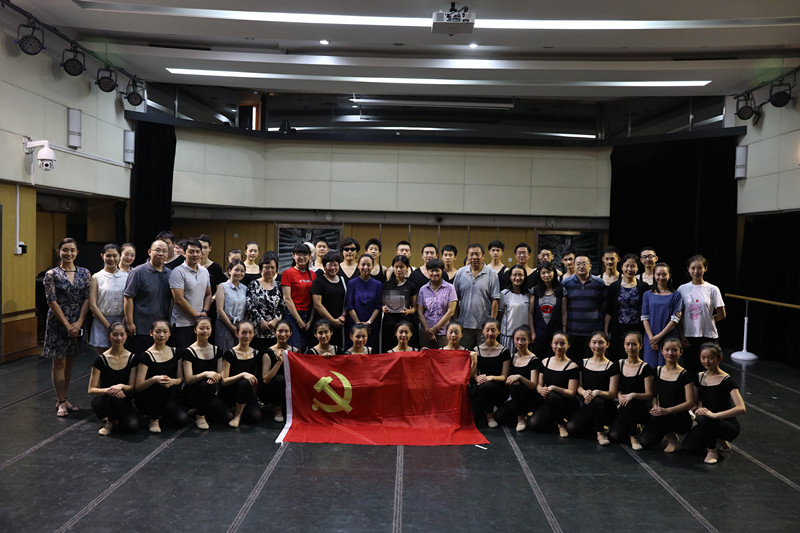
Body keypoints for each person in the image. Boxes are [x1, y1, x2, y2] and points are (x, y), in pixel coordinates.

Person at [43, 237, 91, 417]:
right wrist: (66, 324)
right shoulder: (51, 274)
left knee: (70, 361)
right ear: (59, 252)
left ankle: (64, 397)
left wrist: (79, 322)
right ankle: (61, 401)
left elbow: (87, 298)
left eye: (72, 250)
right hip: (58, 322)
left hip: (78, 320)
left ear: (77, 252)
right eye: (65, 250)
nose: (68, 253)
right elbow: (51, 301)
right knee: (59, 362)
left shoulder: (85, 273)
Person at [683, 343, 746, 464]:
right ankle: (718, 439)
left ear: (719, 358)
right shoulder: (699, 377)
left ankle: (712, 451)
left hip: (726, 424)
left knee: (704, 418)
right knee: (688, 447)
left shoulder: (727, 380)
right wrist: (696, 409)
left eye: (711, 358)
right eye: (703, 357)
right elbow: (693, 402)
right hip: (707, 421)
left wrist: (715, 415)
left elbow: (741, 408)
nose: (706, 361)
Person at [639, 339, 696, 453]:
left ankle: (671, 437)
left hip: (678, 415)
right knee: (645, 441)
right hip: (661, 414)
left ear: (680, 352)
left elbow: (690, 402)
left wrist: (668, 411)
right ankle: (665, 432)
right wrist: (655, 406)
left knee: (662, 418)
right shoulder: (657, 371)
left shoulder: (685, 375)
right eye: (667, 350)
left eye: (674, 350)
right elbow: (654, 395)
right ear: (662, 351)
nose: (670, 353)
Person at [566, 331, 620, 445]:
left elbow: (612, 393)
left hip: (605, 407)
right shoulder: (583, 363)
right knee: (571, 428)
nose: (597, 346)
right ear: (589, 344)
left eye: (601, 342)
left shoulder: (612, 366)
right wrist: (584, 392)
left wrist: (598, 392)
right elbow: (578, 387)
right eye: (594, 342)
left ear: (607, 344)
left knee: (597, 401)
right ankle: (594, 425)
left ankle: (600, 432)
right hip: (588, 404)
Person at [134, 320, 188, 433]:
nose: (161, 335)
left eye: (165, 332)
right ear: (151, 333)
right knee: (160, 382)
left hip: (167, 396)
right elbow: (138, 386)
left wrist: (172, 381)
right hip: (149, 397)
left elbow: (180, 379)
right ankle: (153, 419)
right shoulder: (145, 356)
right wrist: (154, 379)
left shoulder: (176, 352)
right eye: (158, 332)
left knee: (181, 419)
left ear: (170, 333)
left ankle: (162, 414)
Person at [87, 322, 139, 435]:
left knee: (132, 426)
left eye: (122, 334)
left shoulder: (133, 358)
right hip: (104, 400)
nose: (118, 338)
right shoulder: (100, 360)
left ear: (126, 335)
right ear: (109, 336)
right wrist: (111, 390)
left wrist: (121, 386)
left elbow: (132, 387)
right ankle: (109, 423)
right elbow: (91, 390)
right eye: (115, 335)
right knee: (116, 396)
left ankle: (116, 418)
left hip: (123, 399)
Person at [180, 317, 232, 429]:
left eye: (208, 328)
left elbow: (220, 372)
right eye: (201, 328)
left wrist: (217, 376)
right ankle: (200, 416)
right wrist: (205, 374)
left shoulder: (216, 350)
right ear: (195, 330)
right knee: (208, 384)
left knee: (227, 416)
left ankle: (198, 410)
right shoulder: (188, 352)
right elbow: (188, 379)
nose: (205, 331)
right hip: (193, 392)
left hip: (210, 392)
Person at [677, 255, 726, 375]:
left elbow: (721, 314)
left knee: (709, 370)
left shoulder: (713, 289)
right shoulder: (682, 289)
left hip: (708, 335)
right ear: (688, 269)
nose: (696, 271)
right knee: (691, 370)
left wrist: (707, 319)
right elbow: (679, 316)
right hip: (689, 336)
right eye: (693, 268)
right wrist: (681, 335)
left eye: (700, 268)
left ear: (705, 269)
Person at [124, 239, 173, 356]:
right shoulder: (138, 272)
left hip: (161, 329)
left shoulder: (170, 274)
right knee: (140, 359)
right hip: (140, 327)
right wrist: (130, 323)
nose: (161, 253)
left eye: (164, 251)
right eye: (157, 250)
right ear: (149, 252)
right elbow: (128, 298)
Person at [528, 332, 579, 437]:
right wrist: (541, 390)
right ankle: (554, 418)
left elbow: (571, 393)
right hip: (550, 402)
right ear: (551, 344)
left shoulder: (573, 366)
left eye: (562, 343)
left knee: (553, 395)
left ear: (568, 345)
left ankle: (561, 425)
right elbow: (539, 385)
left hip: (567, 403)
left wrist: (554, 388)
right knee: (534, 424)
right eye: (556, 343)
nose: (559, 346)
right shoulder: (545, 362)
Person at [608, 332, 653, 450]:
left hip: (639, 406)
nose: (630, 347)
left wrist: (633, 395)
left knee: (630, 404)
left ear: (640, 346)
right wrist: (620, 396)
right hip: (623, 404)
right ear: (624, 345)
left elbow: (649, 394)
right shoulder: (619, 364)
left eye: (634, 344)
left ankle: (634, 436)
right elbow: (615, 389)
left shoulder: (645, 367)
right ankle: (632, 426)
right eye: (627, 344)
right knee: (614, 436)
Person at [453, 243, 500, 349]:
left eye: (477, 254)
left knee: (484, 354)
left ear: (483, 256)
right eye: (471, 254)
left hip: (484, 326)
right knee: (465, 354)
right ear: (467, 256)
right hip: (464, 324)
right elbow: (455, 298)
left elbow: (495, 300)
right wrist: (455, 319)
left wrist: (492, 323)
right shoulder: (460, 272)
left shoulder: (492, 274)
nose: (474, 257)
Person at [495, 326, 541, 432]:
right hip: (516, 398)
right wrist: (509, 380)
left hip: (530, 397)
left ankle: (521, 419)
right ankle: (522, 414)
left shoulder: (533, 359)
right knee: (499, 417)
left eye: (523, 339)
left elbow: (533, 385)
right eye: (517, 339)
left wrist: (520, 377)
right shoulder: (512, 357)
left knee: (516, 386)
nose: (520, 342)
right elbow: (506, 378)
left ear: (529, 341)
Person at [169, 238, 212, 349]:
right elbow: (179, 299)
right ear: (184, 253)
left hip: (199, 324)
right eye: (191, 252)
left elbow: (208, 294)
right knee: (183, 355)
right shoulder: (177, 272)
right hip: (182, 324)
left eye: (197, 252)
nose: (195, 255)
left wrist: (205, 311)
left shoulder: (204, 271)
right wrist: (197, 316)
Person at [562, 256, 607, 361]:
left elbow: (604, 306)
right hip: (572, 331)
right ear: (574, 266)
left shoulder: (599, 283)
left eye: (584, 264)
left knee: (591, 362)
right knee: (573, 362)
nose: (581, 266)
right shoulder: (566, 283)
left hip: (593, 332)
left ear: (590, 266)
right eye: (578, 264)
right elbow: (563, 308)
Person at [605, 253, 648, 359]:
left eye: (633, 266)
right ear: (622, 267)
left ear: (637, 268)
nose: (629, 269)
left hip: (637, 328)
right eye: (627, 266)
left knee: (636, 355)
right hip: (618, 328)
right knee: (618, 355)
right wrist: (606, 329)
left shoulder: (643, 287)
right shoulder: (614, 286)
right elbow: (609, 310)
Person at [220, 321, 262, 427]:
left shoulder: (256, 353)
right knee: (244, 382)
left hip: (245, 393)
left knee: (255, 416)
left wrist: (254, 400)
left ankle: (239, 409)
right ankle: (237, 416)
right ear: (237, 334)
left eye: (250, 333)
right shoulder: (229, 354)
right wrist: (242, 374)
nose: (247, 336)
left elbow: (255, 380)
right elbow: (224, 381)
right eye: (243, 333)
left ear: (254, 334)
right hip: (229, 392)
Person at [471, 319, 511, 428]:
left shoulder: (504, 351)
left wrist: (490, 378)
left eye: (493, 330)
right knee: (475, 416)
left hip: (498, 389)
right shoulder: (476, 350)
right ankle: (487, 408)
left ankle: (490, 416)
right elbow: (473, 373)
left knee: (487, 386)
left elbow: (504, 377)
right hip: (481, 387)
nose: (490, 333)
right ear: (482, 331)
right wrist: (477, 377)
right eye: (487, 330)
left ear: (499, 331)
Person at [641, 263, 682, 368]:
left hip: (669, 336)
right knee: (650, 368)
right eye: (658, 274)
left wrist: (659, 337)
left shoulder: (676, 295)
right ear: (654, 275)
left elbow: (675, 319)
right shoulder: (647, 294)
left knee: (668, 367)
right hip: (651, 336)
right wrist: (652, 339)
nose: (661, 277)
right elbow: (644, 318)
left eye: (664, 274)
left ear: (669, 275)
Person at [89, 243, 128, 351]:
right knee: (103, 356)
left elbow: (130, 301)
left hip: (122, 321)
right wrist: (108, 326)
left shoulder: (127, 277)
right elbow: (92, 305)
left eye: (115, 256)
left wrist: (123, 323)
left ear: (119, 256)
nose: (111, 259)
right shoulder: (96, 277)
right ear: (102, 256)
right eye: (108, 256)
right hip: (101, 321)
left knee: (120, 355)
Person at [281, 243, 317, 349]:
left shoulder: (313, 275)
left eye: (305, 254)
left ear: (309, 256)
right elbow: (287, 298)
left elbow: (315, 299)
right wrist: (299, 320)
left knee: (307, 347)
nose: (302, 257)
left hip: (308, 314)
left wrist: (310, 320)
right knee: (295, 347)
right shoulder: (288, 273)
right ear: (293, 256)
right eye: (299, 254)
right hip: (292, 315)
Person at [246, 252, 284, 354]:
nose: (269, 270)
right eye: (266, 267)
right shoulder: (253, 284)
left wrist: (275, 320)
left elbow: (282, 305)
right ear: (261, 268)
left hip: (274, 331)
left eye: (272, 267)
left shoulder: (279, 286)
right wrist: (260, 321)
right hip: (256, 331)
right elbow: (249, 305)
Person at [529, 261, 567, 358]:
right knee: (538, 357)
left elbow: (564, 313)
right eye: (543, 273)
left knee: (555, 356)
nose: (546, 275)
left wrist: (564, 331)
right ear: (540, 275)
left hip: (556, 330)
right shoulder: (535, 290)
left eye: (549, 272)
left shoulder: (561, 290)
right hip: (539, 331)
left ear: (554, 273)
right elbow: (530, 313)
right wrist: (532, 332)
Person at [417, 259, 458, 348]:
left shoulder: (450, 288)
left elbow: (451, 311)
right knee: (426, 355)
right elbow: (420, 312)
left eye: (437, 270)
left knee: (443, 355)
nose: (434, 273)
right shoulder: (423, 289)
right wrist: (428, 330)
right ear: (428, 272)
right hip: (425, 332)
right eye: (432, 271)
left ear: (442, 271)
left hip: (444, 331)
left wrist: (435, 329)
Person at [346, 254, 383, 352]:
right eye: (363, 265)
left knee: (371, 351)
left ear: (372, 266)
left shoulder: (378, 284)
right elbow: (349, 305)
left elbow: (378, 306)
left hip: (371, 324)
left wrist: (369, 322)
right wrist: (358, 323)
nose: (365, 267)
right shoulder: (351, 283)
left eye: (368, 265)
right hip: (354, 323)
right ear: (358, 265)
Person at [311, 251, 347, 348]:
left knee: (336, 350)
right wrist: (332, 321)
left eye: (335, 265)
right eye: (330, 265)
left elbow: (346, 302)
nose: (333, 268)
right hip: (322, 324)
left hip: (339, 323)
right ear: (324, 266)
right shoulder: (318, 281)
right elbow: (317, 304)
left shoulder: (343, 280)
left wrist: (343, 316)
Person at [381, 255, 418, 351]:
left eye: (401, 267)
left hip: (405, 323)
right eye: (396, 267)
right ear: (393, 267)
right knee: (388, 350)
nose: (398, 270)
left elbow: (415, 308)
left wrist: (408, 311)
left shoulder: (411, 286)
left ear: (407, 268)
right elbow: (381, 304)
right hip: (389, 323)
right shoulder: (387, 285)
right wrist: (383, 308)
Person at [261, 321, 294, 423]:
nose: (283, 334)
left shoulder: (295, 351)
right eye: (280, 331)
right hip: (272, 389)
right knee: (280, 379)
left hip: (288, 390)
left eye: (286, 331)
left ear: (291, 333)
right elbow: (265, 380)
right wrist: (279, 362)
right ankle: (277, 410)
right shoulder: (268, 353)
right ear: (275, 333)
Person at [215, 259, 247, 353]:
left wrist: (241, 326)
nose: (239, 273)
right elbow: (219, 310)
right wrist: (231, 327)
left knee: (238, 354)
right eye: (236, 270)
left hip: (240, 326)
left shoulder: (244, 288)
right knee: (225, 353)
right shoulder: (222, 286)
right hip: (224, 324)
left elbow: (246, 309)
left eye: (242, 271)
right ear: (229, 271)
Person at [497, 264, 530, 353]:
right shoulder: (504, 294)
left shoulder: (529, 294)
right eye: (514, 275)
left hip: (524, 335)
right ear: (510, 277)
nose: (517, 278)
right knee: (508, 358)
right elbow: (500, 315)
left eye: (520, 275)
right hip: (508, 335)